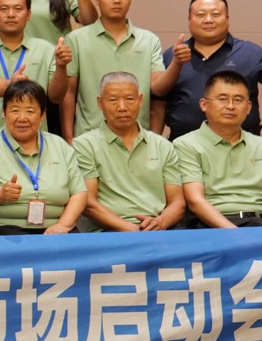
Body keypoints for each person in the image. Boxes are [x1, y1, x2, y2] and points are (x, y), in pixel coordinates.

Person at [156, 0, 262, 138]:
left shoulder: (251, 52)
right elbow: (158, 102)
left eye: (215, 14)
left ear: (227, 18)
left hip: (242, 145)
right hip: (184, 146)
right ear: (189, 20)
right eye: (200, 15)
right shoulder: (173, 55)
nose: (208, 20)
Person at [173, 71, 262, 228]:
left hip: (258, 224)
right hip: (210, 226)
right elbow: (195, 200)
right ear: (204, 104)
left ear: (248, 107)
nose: (230, 106)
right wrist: (234, 232)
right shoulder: (186, 144)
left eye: (238, 100)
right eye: (222, 99)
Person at [0, 80, 86, 235]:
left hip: (54, 227)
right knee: (26, 248)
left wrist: (62, 225)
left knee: (81, 248)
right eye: (15, 110)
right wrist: (0, 194)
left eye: (30, 111)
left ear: (42, 115)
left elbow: (79, 193)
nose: (22, 118)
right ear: (4, 113)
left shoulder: (59, 146)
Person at [59, 0, 168, 138]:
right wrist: (68, 138)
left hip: (138, 137)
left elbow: (157, 91)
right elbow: (68, 93)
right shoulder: (76, 39)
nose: (117, 0)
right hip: (90, 138)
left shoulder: (149, 40)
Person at [73, 73, 185, 232]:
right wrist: (133, 230)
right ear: (100, 103)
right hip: (108, 232)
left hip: (157, 230)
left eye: (130, 99)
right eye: (113, 100)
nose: (122, 107)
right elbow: (88, 202)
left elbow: (177, 202)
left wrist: (160, 222)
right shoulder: (84, 145)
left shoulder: (162, 146)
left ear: (140, 100)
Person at [0, 0, 68, 134]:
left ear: (28, 14)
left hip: (35, 137)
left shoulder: (46, 49)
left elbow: (56, 97)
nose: (11, 14)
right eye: (4, 9)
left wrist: (61, 67)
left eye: (18, 9)